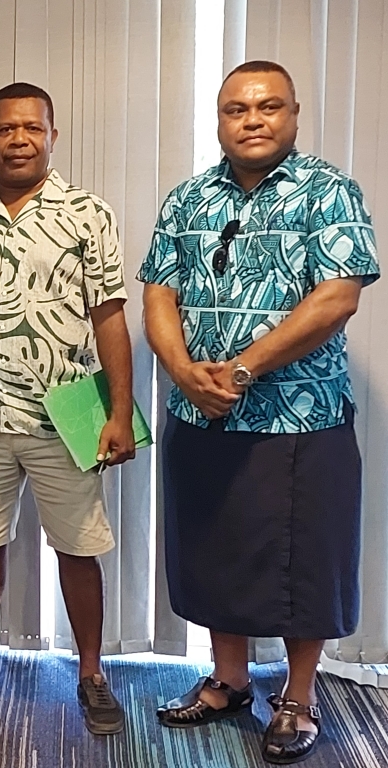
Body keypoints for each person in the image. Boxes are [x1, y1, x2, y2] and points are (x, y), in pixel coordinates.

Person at [141, 60, 379, 764]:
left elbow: (338, 295)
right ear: (219, 119)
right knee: (213, 552)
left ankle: (298, 699)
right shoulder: (188, 200)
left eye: (268, 107)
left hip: (301, 421)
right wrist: (184, 372)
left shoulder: (328, 192)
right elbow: (158, 292)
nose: (252, 120)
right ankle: (229, 680)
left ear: (294, 114)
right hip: (204, 417)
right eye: (236, 109)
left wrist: (243, 369)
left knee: (304, 564)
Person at [0, 82, 135, 735]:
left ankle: (92, 672)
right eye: (5, 129)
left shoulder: (87, 213)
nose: (18, 139)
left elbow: (109, 318)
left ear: (52, 135)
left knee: (78, 547)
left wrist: (120, 413)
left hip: (65, 412)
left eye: (31, 128)